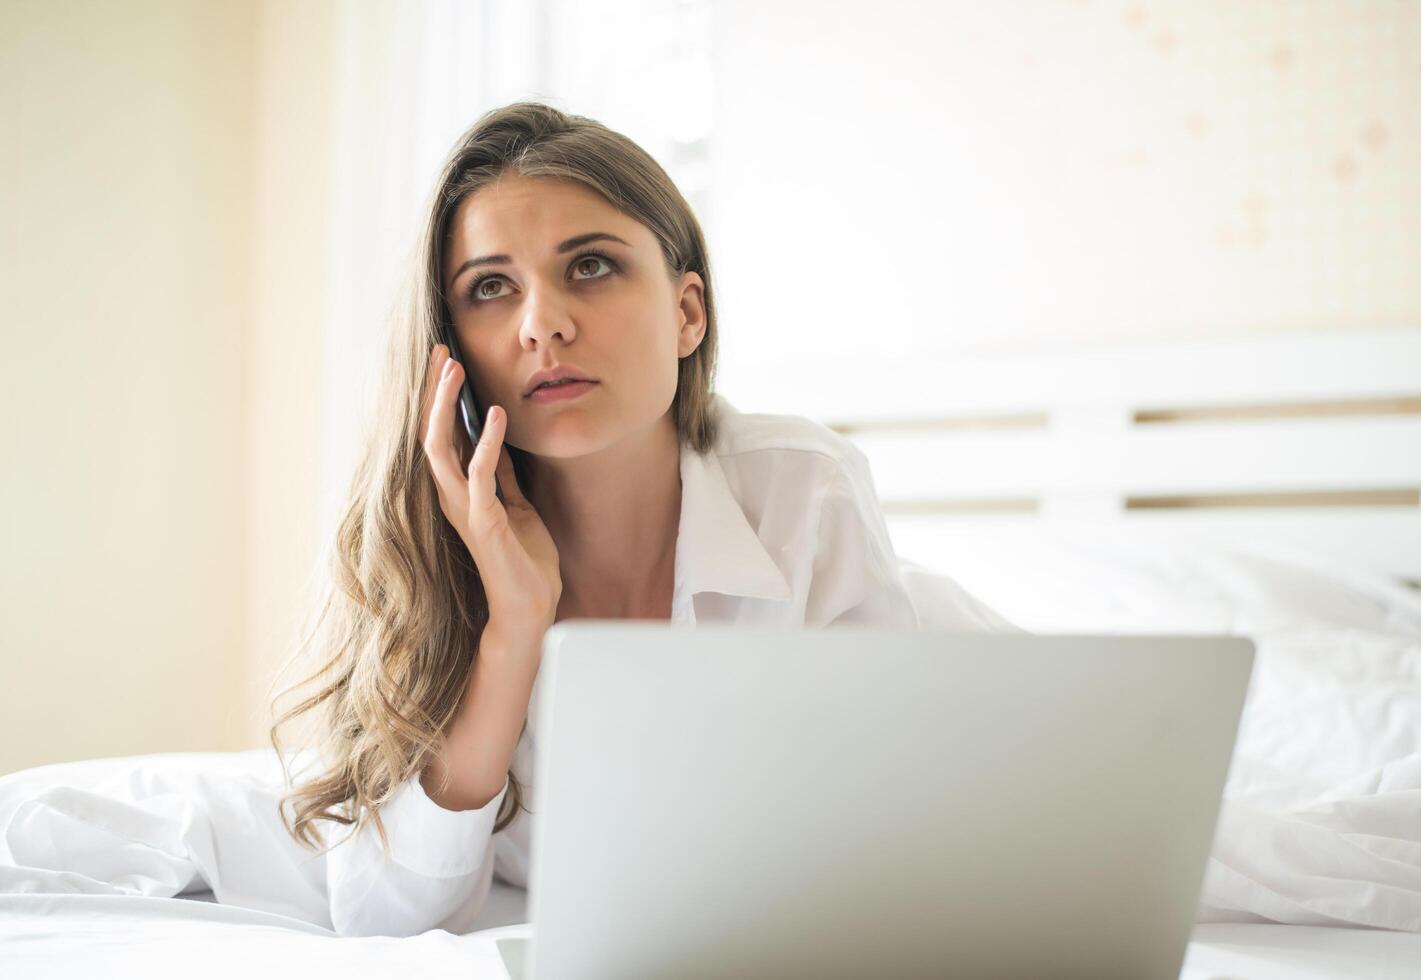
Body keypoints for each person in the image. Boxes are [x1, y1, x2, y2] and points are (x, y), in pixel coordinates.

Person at [267, 100, 1015, 938]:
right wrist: (513, 628)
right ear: (451, 351)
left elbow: (900, 830)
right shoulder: (422, 551)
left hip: (978, 681)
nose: (542, 322)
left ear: (687, 313)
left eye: (589, 266)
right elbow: (380, 920)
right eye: (490, 287)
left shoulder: (805, 494)